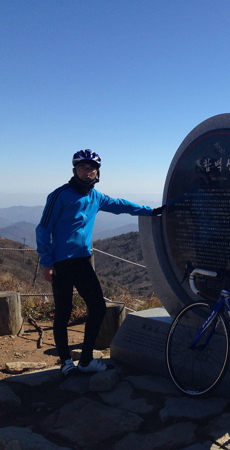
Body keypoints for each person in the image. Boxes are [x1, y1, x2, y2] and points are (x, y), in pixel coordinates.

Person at [36, 149, 163, 377]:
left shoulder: (95, 197)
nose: (87, 172)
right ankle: (66, 361)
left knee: (98, 307)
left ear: (97, 173)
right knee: (63, 311)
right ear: (74, 170)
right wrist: (47, 263)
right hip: (61, 263)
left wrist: (151, 211)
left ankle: (85, 360)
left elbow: (120, 205)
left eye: (92, 169)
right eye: (82, 168)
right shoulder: (60, 195)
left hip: (83, 261)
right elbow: (43, 229)